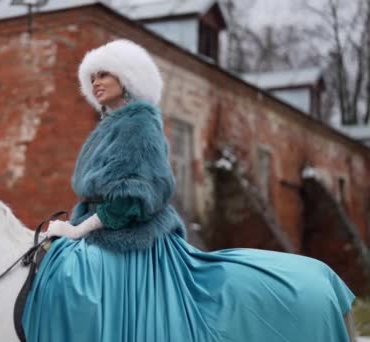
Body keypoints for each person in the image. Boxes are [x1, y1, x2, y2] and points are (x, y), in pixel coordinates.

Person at [22, 39, 355, 342]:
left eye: (104, 74)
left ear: (127, 78)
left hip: (134, 240)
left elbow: (136, 197)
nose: (95, 82)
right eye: (91, 76)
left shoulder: (139, 124)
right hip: (101, 232)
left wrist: (79, 229)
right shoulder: (107, 127)